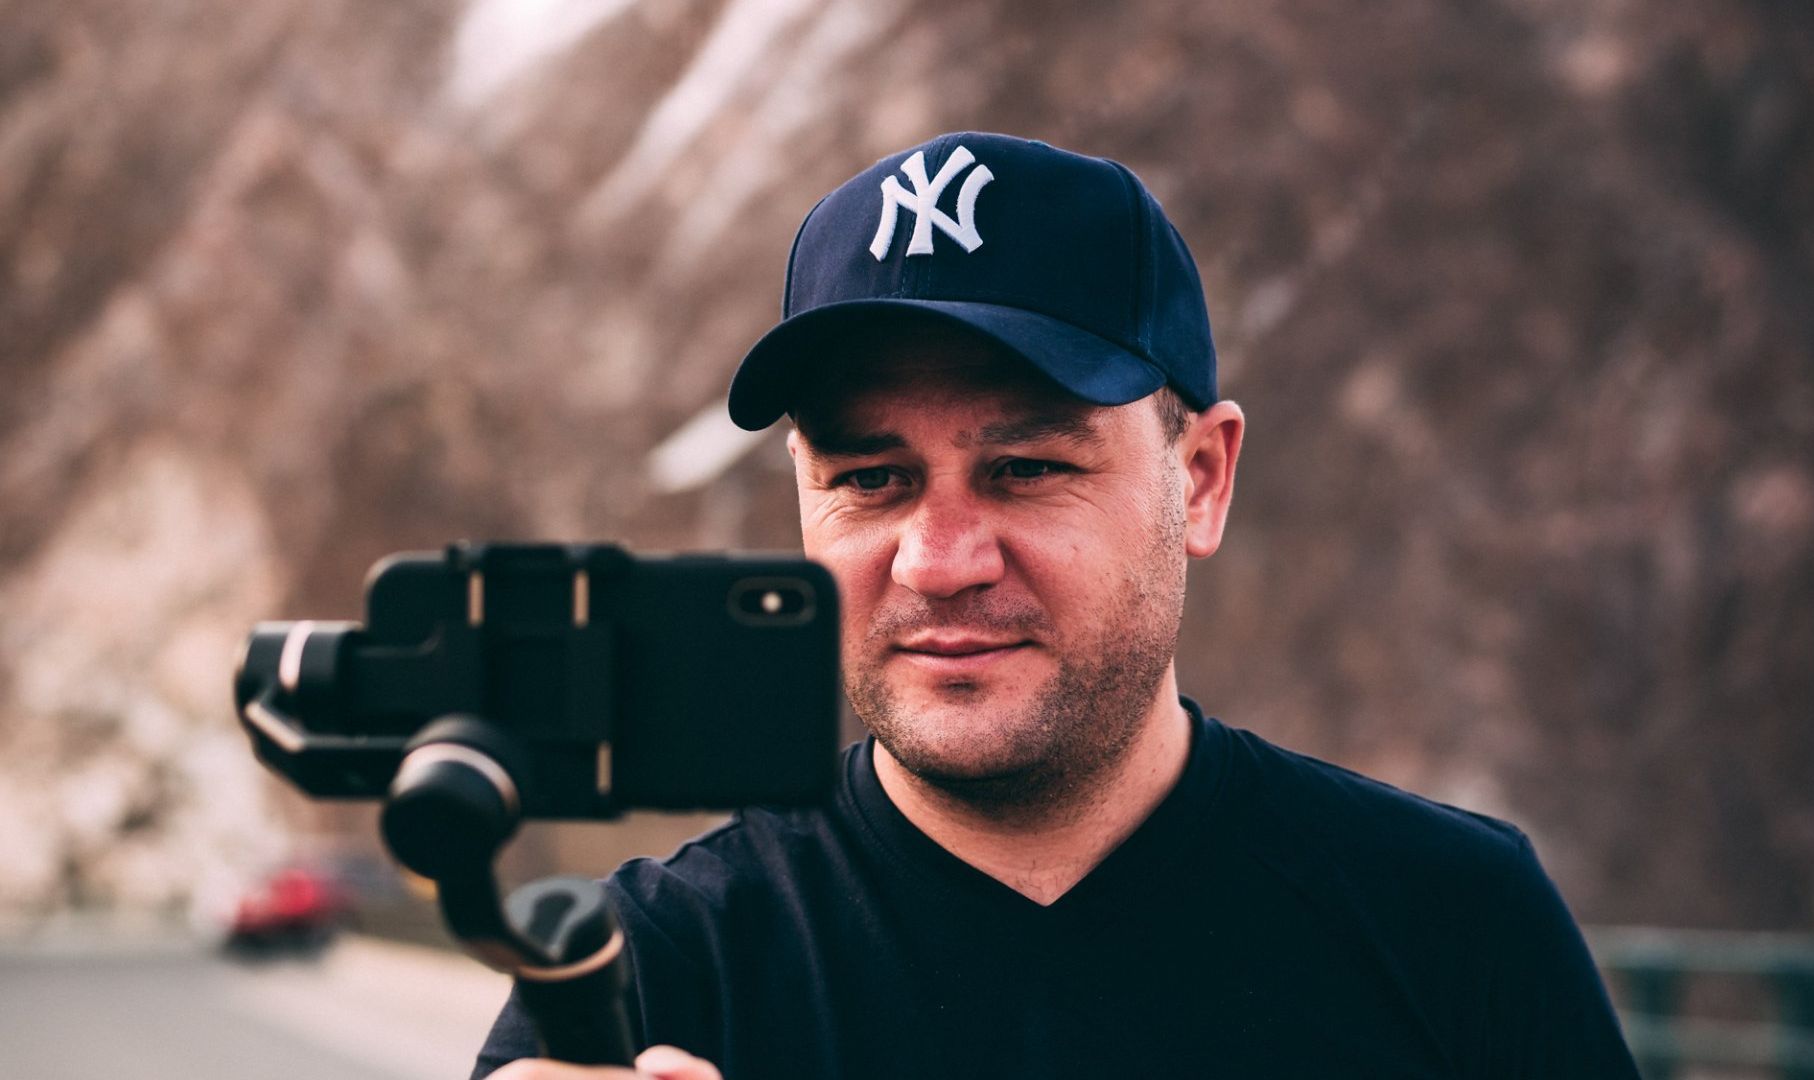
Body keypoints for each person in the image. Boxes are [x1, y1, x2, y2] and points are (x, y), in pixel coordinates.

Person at [475, 132, 1641, 1080]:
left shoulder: (1454, 930)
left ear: (1201, 479)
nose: (937, 561)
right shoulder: (647, 980)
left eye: (1027, 468)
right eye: (868, 480)